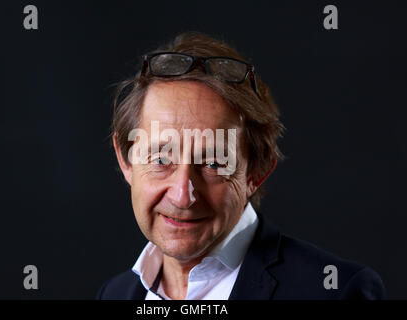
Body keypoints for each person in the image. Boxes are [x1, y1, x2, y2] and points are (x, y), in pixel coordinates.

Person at [97, 31, 386, 300]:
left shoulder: (337, 292)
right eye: (161, 159)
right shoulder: (114, 294)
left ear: (256, 173)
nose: (183, 196)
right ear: (126, 160)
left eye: (213, 163)